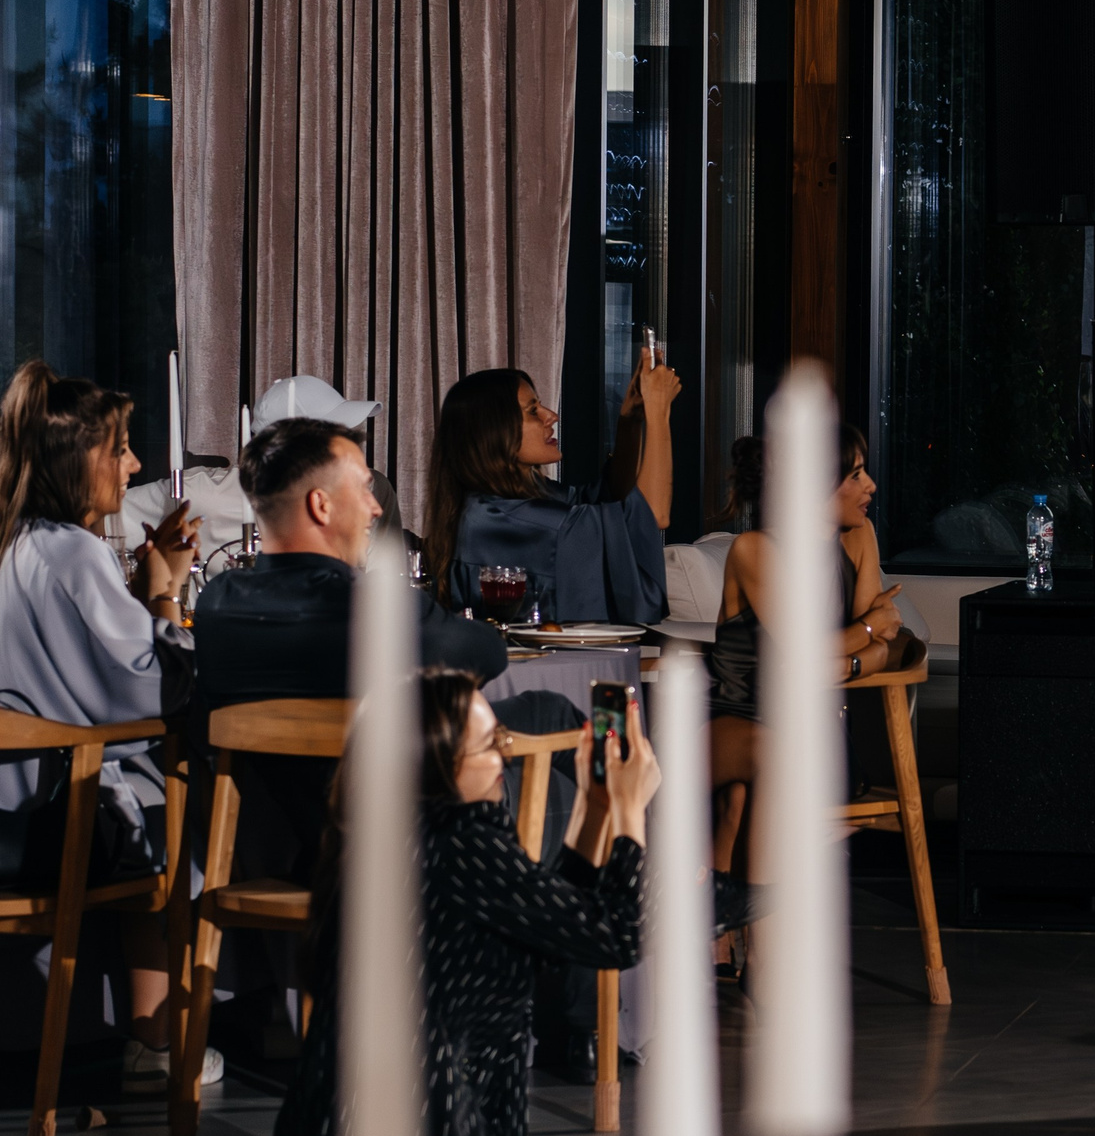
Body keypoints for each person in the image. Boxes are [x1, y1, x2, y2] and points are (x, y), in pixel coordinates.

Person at [275, 668, 657, 1136]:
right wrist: (627, 810)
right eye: (489, 745)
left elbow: (550, 927)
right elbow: (617, 936)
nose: (505, 752)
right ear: (438, 767)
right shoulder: (461, 841)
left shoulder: (398, 836)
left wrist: (592, 808)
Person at [191, 417, 514, 886]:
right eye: (364, 490)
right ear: (320, 505)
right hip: (387, 855)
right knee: (545, 721)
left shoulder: (216, 601)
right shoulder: (376, 607)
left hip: (256, 854)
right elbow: (487, 653)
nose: (375, 508)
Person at [0, 361, 205, 1092]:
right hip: (48, 823)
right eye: (118, 449)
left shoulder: (16, 543)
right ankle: (163, 1031)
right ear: (74, 459)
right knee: (191, 796)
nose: (135, 464)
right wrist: (164, 597)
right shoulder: (71, 553)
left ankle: (145, 1030)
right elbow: (155, 690)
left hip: (14, 809)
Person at [705, 432, 910, 883]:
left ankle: (727, 934)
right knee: (765, 769)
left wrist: (848, 662)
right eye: (856, 475)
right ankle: (755, 942)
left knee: (741, 800)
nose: (871, 485)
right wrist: (869, 629)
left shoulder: (858, 538)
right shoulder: (755, 550)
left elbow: (887, 648)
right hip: (733, 719)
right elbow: (831, 645)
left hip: (816, 732)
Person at [424, 344, 678, 626]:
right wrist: (658, 412)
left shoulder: (514, 498)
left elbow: (606, 498)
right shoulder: (497, 520)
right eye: (533, 411)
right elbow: (651, 513)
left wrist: (631, 417)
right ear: (494, 430)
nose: (551, 416)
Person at [117, 375, 403, 565]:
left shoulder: (372, 490)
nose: (346, 446)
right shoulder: (203, 493)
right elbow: (98, 520)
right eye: (332, 436)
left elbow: (387, 586)